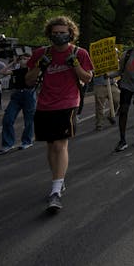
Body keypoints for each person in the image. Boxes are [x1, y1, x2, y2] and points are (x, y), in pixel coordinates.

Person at [25, 16, 94, 212]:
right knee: (50, 145)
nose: (59, 36)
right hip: (45, 105)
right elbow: (29, 80)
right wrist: (40, 66)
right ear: (49, 34)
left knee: (60, 144)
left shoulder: (79, 53)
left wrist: (75, 65)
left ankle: (55, 190)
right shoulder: (41, 53)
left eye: (62, 33)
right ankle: (58, 177)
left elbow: (87, 78)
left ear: (70, 33)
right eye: (55, 33)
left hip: (68, 103)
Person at [0, 53, 36, 152]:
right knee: (7, 119)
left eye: (26, 59)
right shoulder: (17, 71)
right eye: (22, 59)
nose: (24, 60)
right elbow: (3, 72)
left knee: (29, 120)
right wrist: (13, 62)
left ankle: (27, 141)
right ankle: (8, 144)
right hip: (16, 96)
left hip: (29, 95)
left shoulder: (32, 70)